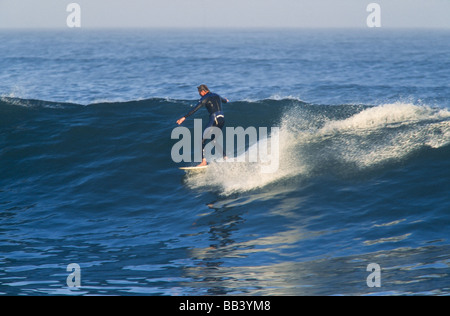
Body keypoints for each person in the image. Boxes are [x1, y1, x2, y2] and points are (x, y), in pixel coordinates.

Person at [177, 85, 228, 167]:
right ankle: (225, 157)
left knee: (201, 140)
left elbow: (195, 108)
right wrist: (226, 100)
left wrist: (184, 117)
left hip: (214, 118)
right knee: (214, 140)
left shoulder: (205, 98)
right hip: (222, 119)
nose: (199, 94)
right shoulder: (217, 95)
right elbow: (225, 100)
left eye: (199, 93)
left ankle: (203, 161)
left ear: (203, 91)